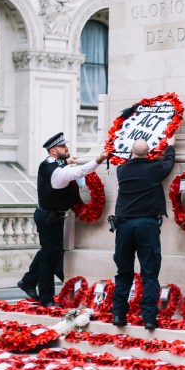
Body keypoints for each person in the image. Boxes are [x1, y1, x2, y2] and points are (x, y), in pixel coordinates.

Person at [18, 132, 108, 307]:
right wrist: (99, 159)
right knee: (49, 259)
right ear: (53, 152)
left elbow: (61, 164)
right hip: (49, 218)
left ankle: (28, 281)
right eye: (62, 147)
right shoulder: (58, 173)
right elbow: (81, 171)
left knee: (49, 252)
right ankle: (46, 298)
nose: (67, 148)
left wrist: (67, 160)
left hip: (50, 216)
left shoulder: (47, 164)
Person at [111, 136, 176, 331]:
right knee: (149, 275)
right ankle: (149, 318)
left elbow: (133, 160)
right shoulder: (154, 169)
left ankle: (118, 315)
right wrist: (170, 146)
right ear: (148, 154)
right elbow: (168, 163)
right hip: (147, 226)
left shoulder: (121, 171)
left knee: (123, 273)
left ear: (131, 152)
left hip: (124, 227)